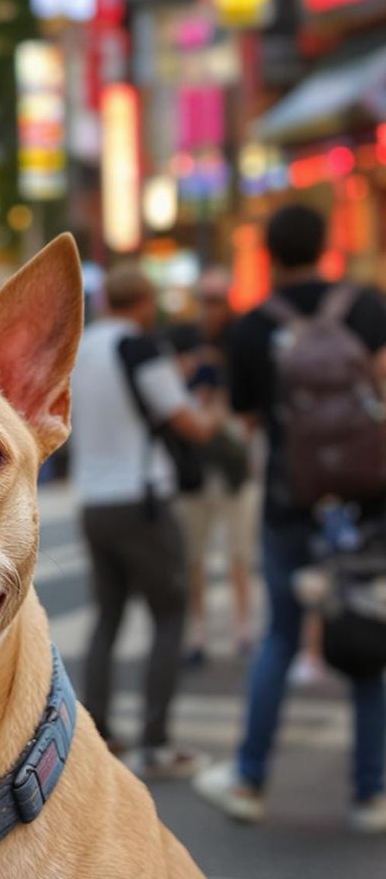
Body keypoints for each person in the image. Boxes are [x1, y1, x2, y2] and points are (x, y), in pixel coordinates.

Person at [196, 205, 386, 833]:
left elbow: (247, 425)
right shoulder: (368, 308)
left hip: (290, 503)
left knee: (280, 636)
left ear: (271, 255)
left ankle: (249, 779)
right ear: (328, 244)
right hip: (366, 504)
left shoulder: (252, 328)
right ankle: (372, 794)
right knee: (369, 639)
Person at [69, 265, 216, 777]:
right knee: (169, 614)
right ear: (147, 302)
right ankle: (157, 741)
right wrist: (211, 410)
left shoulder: (80, 351)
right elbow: (188, 424)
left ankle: (99, 731)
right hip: (143, 499)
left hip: (95, 500)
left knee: (107, 617)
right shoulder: (140, 348)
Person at [171, 272, 258, 661]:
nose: (212, 307)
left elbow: (251, 406)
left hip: (234, 465)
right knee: (194, 557)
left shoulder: (243, 339)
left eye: (218, 299)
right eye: (206, 299)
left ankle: (243, 628)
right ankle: (198, 632)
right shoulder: (184, 339)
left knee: (240, 553)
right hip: (194, 469)